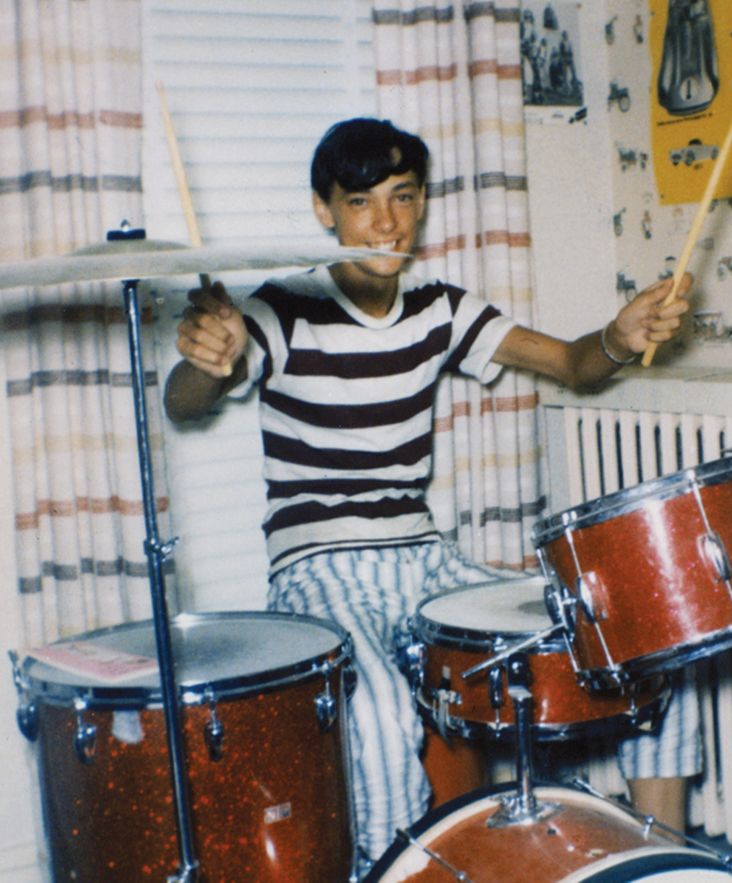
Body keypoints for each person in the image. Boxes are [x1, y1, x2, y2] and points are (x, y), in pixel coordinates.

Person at [164, 117, 695, 870]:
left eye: (403, 196)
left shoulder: (439, 307)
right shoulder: (280, 309)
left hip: (425, 559)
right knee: (380, 716)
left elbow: (574, 365)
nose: (386, 222)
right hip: (319, 566)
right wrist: (205, 363)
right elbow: (185, 403)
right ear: (324, 210)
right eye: (360, 201)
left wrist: (619, 333)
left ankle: (666, 864)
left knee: (636, 640)